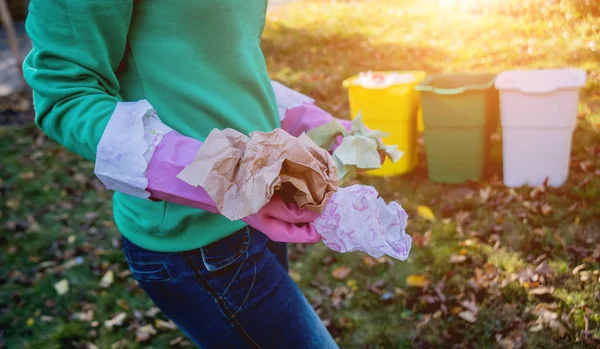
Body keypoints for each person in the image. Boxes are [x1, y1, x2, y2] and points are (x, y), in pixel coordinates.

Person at [22, 1, 364, 348]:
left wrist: (303, 119)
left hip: (260, 207)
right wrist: (232, 177)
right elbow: (64, 94)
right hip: (196, 243)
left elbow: (211, 61)